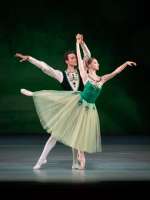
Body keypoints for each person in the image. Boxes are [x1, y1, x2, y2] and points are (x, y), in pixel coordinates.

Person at [15, 34, 91, 169]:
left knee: (76, 136)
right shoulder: (61, 75)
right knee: (54, 136)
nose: (75, 59)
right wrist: (30, 59)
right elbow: (45, 67)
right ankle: (41, 160)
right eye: (72, 58)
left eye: (75, 57)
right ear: (67, 61)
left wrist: (82, 43)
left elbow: (88, 57)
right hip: (68, 107)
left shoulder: (82, 72)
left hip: (80, 107)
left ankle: (74, 162)